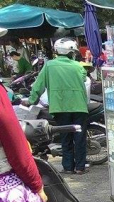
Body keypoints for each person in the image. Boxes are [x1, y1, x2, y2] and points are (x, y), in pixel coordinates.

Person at [26, 39, 89, 175]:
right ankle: (80, 167)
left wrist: (31, 100)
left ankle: (67, 167)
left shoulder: (49, 66)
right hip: (79, 106)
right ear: (71, 52)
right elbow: (84, 78)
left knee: (65, 136)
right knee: (79, 137)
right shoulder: (77, 66)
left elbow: (39, 85)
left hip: (60, 107)